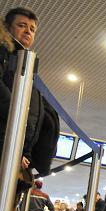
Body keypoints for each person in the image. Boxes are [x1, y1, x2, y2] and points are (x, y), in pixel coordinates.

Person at [1, 7, 59, 177]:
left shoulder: (23, 63)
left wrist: (24, 152)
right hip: (6, 146)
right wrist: (11, 148)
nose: (28, 31)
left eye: (32, 29)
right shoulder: (4, 54)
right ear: (7, 28)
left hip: (16, 150)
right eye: (22, 25)